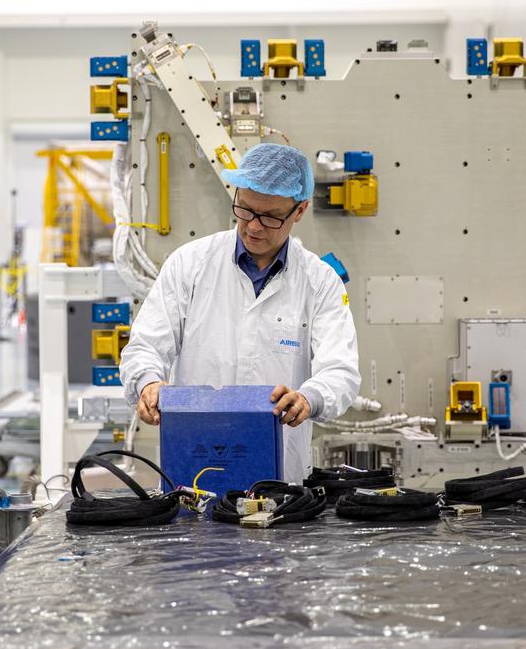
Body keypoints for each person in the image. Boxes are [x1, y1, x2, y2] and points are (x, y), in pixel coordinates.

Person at [119, 143, 361, 481]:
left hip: (281, 479)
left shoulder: (320, 281)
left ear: (300, 211)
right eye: (244, 209)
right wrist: (147, 382)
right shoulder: (189, 265)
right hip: (193, 469)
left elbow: (341, 371)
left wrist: (309, 397)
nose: (254, 227)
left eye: (271, 216)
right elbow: (145, 346)